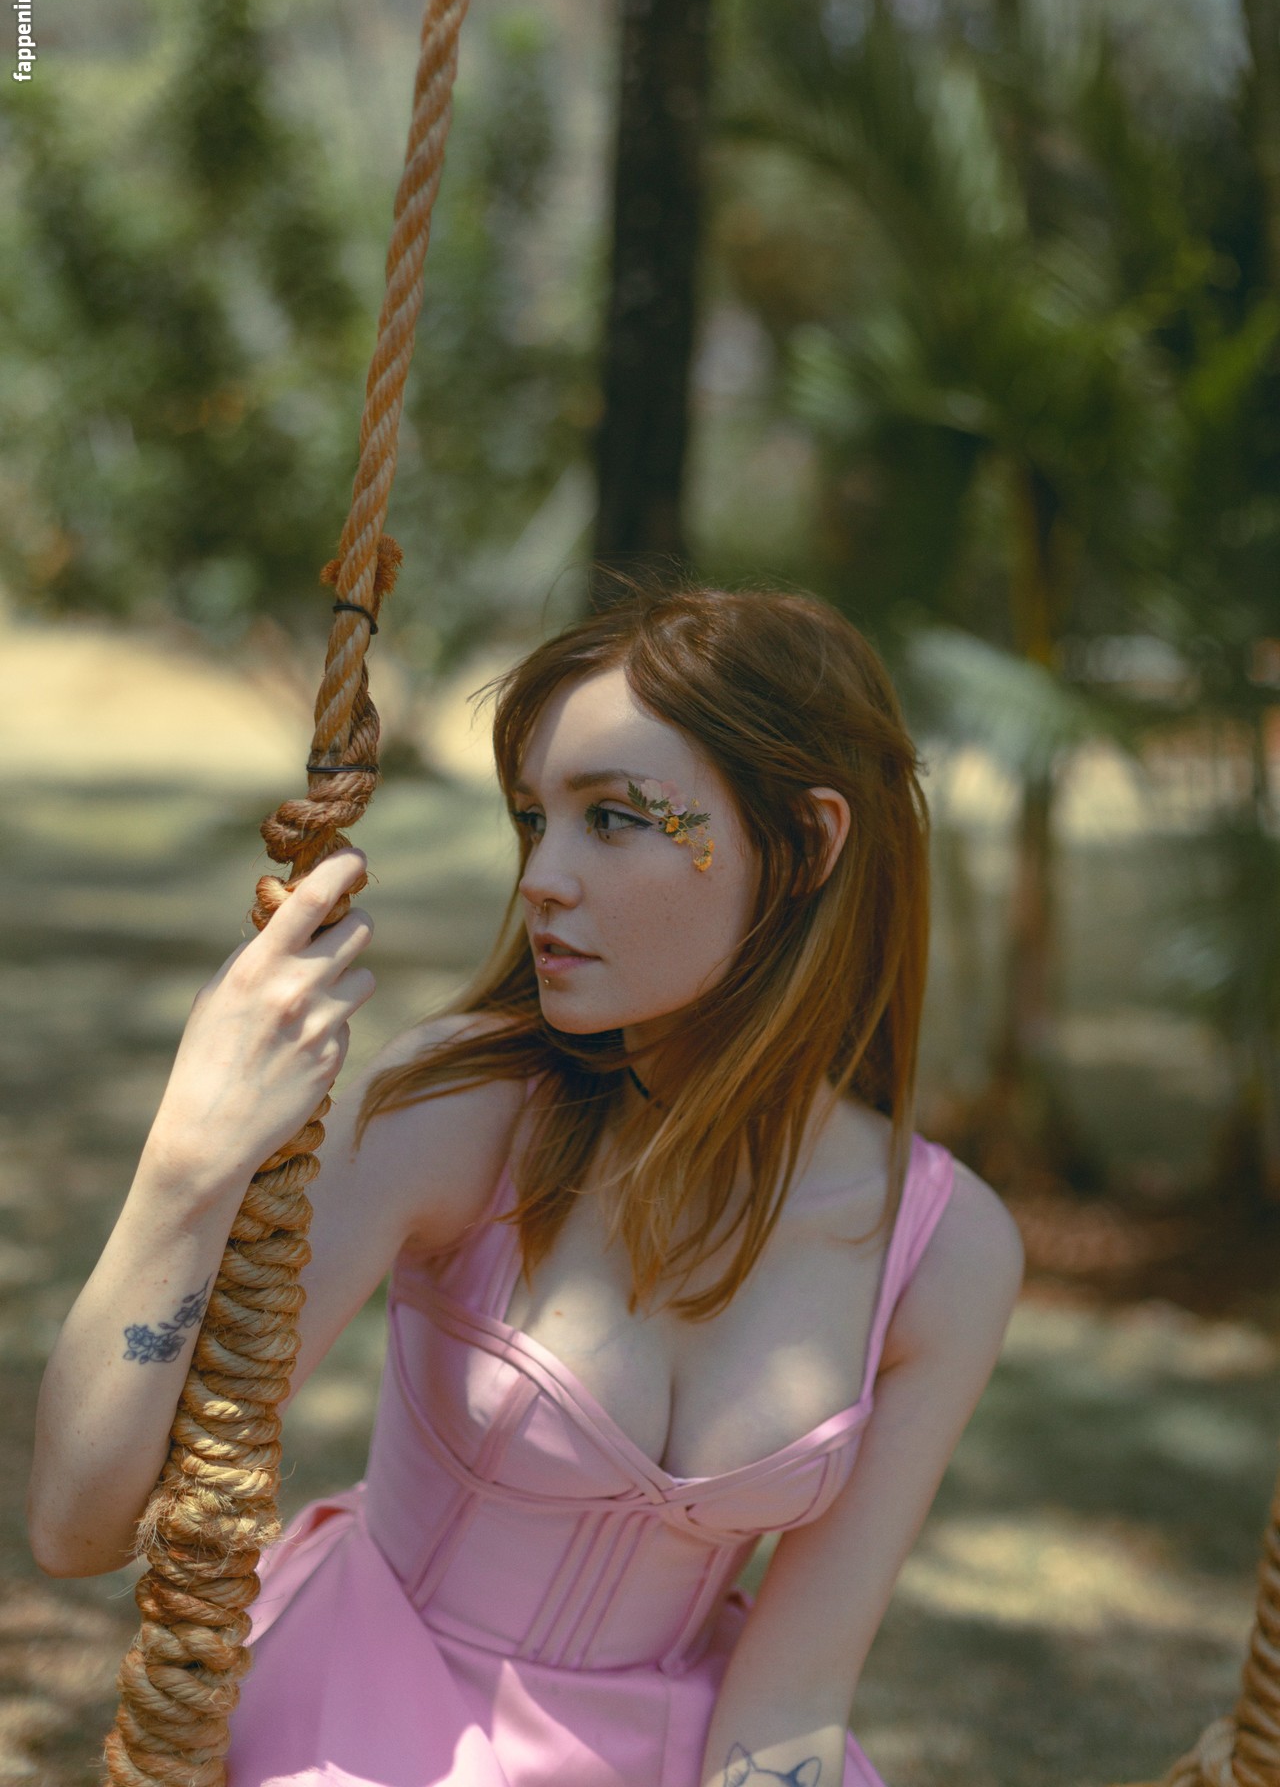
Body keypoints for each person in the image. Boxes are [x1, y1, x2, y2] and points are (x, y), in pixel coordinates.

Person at [28, 583, 1024, 1787]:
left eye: (612, 818)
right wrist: (188, 1158)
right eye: (531, 819)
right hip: (361, 1719)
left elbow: (792, 1696)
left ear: (807, 844)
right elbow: (79, 1525)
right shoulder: (463, 1114)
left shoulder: (940, 1251)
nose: (542, 875)